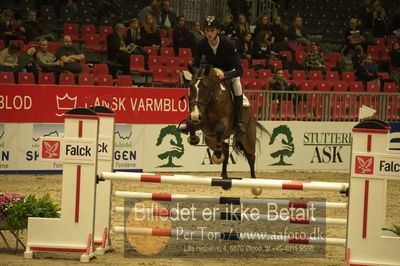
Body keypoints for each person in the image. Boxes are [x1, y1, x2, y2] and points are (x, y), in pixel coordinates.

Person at [192, 16, 246, 135]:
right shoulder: (201, 44)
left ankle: (240, 122)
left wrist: (225, 76)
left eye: (212, 30)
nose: (209, 33)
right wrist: (199, 73)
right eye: (207, 30)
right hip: (212, 73)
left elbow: (239, 70)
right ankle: (192, 121)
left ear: (217, 31)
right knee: (196, 87)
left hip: (229, 72)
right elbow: (194, 65)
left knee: (237, 85)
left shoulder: (228, 44)